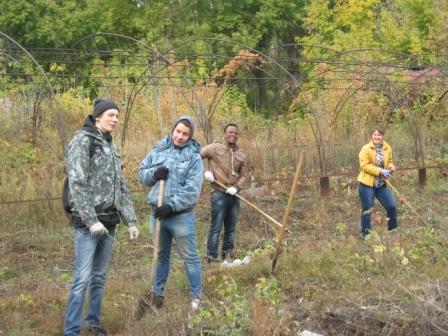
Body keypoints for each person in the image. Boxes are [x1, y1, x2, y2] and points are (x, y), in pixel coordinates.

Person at [63, 99, 139, 336]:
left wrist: (131, 220)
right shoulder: (83, 141)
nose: (115, 119)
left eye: (117, 115)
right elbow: (77, 182)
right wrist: (90, 219)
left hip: (109, 223)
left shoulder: (111, 147)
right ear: (97, 117)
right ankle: (71, 331)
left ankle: (93, 324)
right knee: (82, 279)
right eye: (110, 115)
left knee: (99, 278)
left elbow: (121, 186)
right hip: (88, 225)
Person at [138, 116, 203, 314]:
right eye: (178, 131)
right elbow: (142, 173)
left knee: (190, 257)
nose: (180, 136)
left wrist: (172, 206)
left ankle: (197, 299)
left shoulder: (194, 157)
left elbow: (193, 189)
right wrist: (155, 174)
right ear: (173, 129)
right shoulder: (159, 149)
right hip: (157, 214)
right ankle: (156, 295)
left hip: (181, 216)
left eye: (185, 134)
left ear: (190, 136)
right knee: (161, 255)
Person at [201, 123, 248, 262]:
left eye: (235, 133)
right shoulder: (214, 148)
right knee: (216, 228)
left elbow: (245, 175)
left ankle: (227, 256)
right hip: (219, 193)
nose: (233, 135)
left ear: (237, 135)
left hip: (234, 195)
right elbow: (195, 157)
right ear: (225, 133)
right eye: (230, 132)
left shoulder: (241, 153)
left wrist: (237, 187)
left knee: (231, 228)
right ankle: (211, 258)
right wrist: (206, 172)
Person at [357, 128, 398, 238]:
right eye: (375, 134)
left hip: (381, 185)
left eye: (379, 135)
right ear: (371, 136)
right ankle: (366, 234)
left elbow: (389, 161)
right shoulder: (366, 149)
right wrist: (380, 171)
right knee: (367, 209)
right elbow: (364, 166)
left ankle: (393, 231)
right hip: (367, 185)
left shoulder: (387, 148)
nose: (377, 137)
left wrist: (390, 167)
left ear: (383, 136)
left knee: (391, 206)